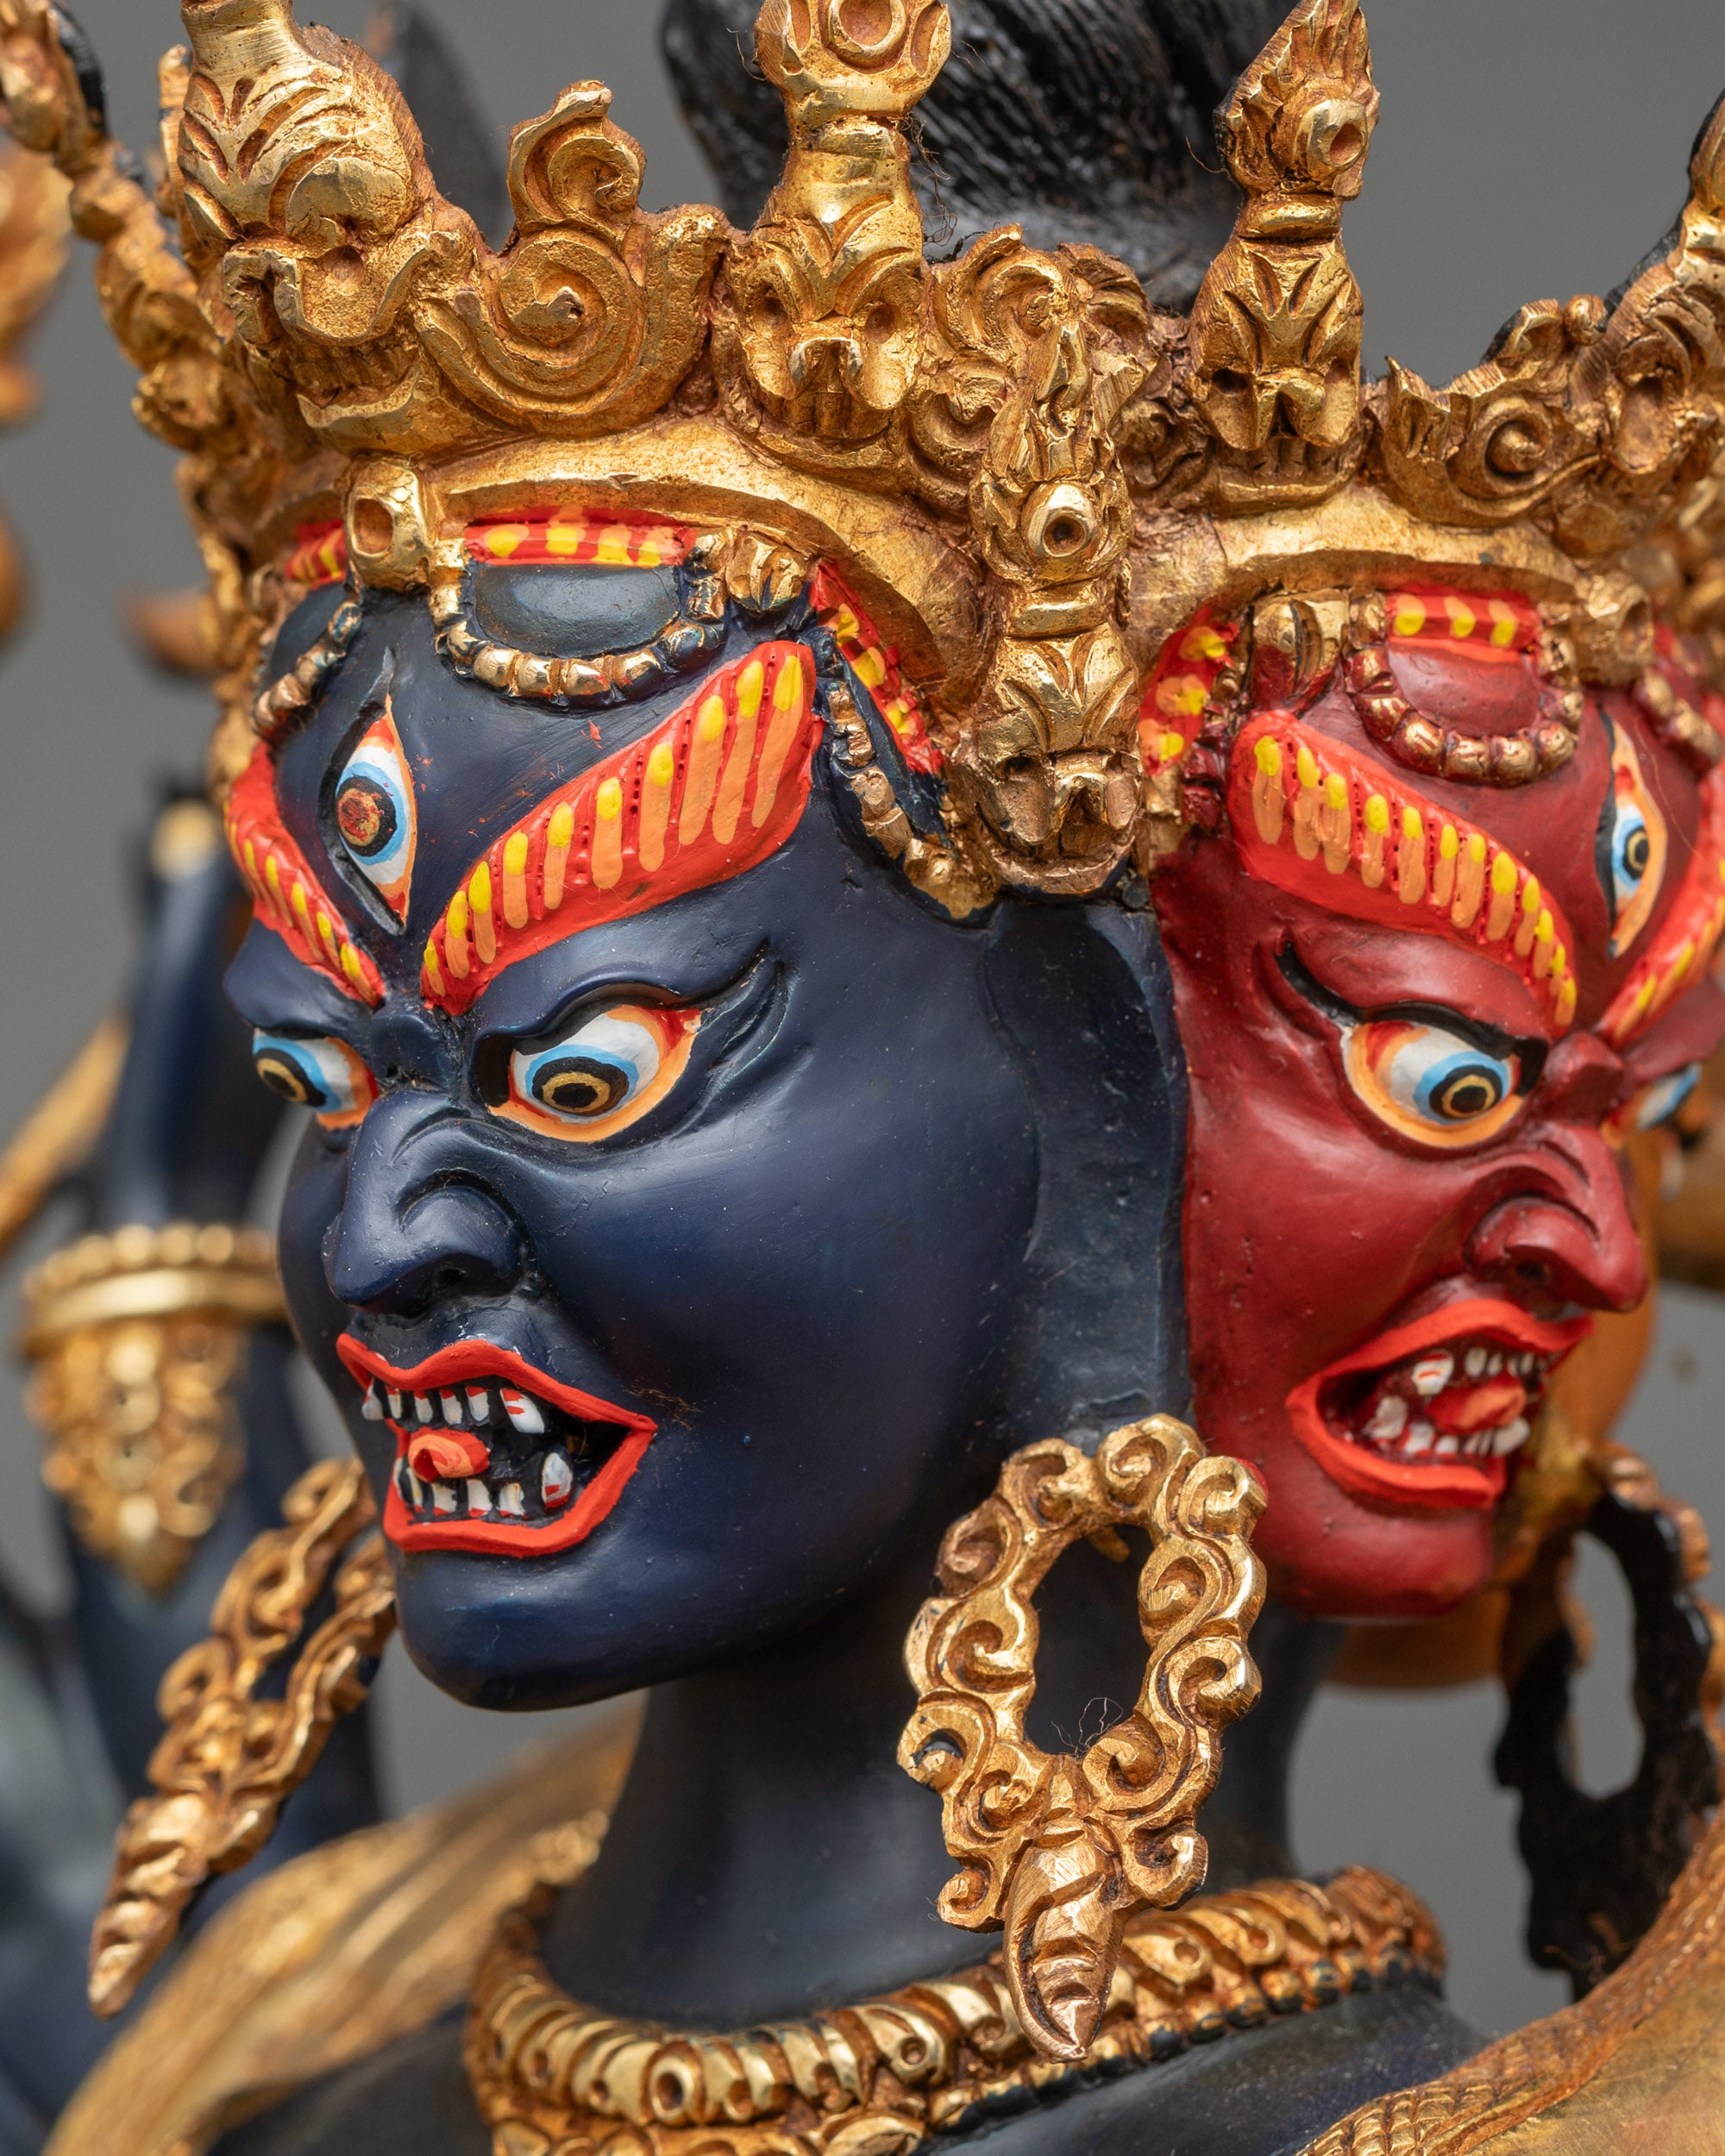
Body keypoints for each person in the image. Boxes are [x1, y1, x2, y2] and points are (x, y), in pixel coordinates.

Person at [3, 1, 1722, 2152]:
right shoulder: (274, 2082)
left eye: (589, 1065)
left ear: (1106, 1083)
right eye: (321, 1082)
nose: (368, 1237)